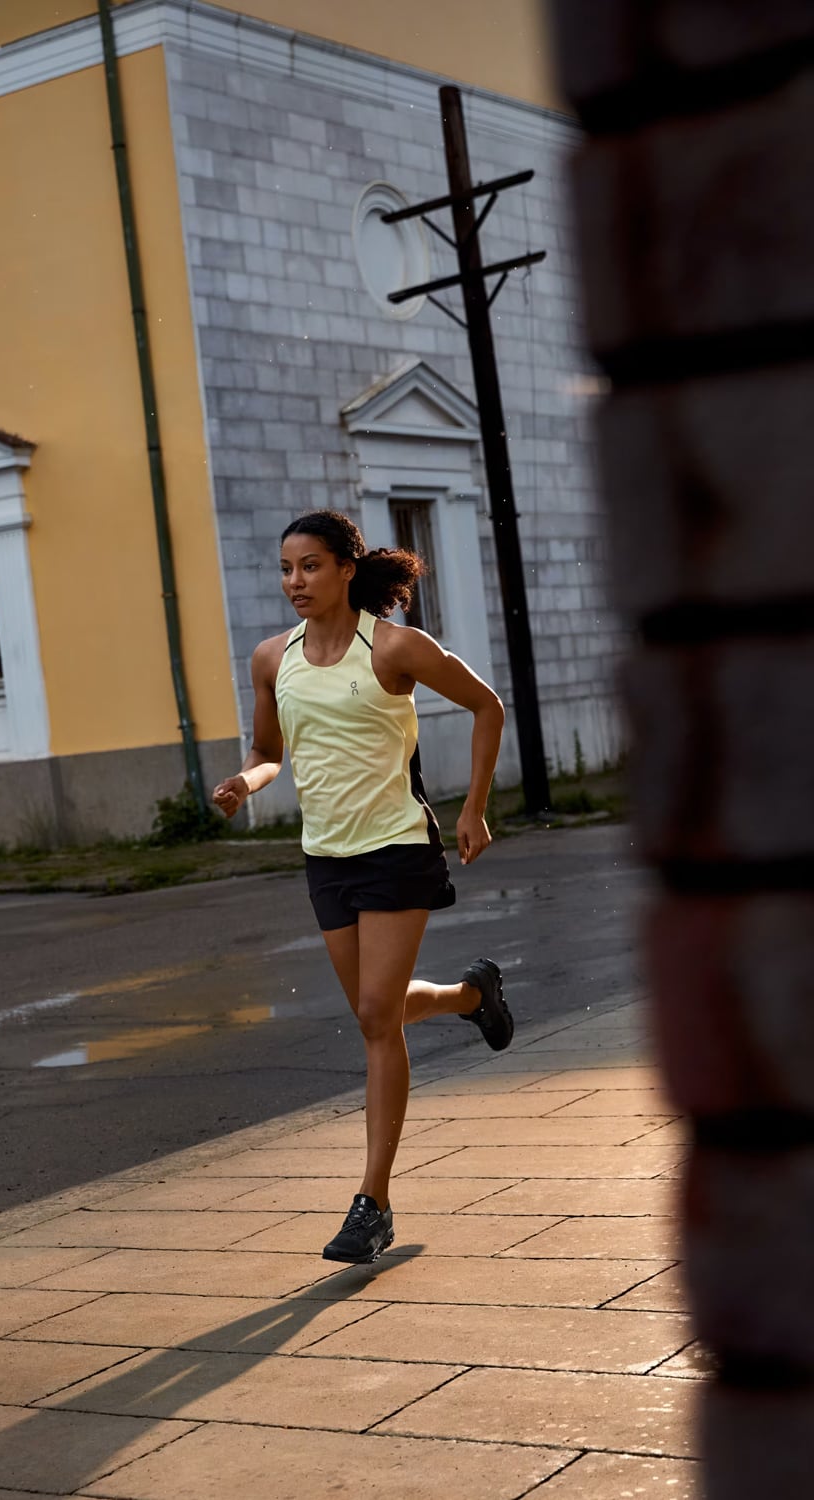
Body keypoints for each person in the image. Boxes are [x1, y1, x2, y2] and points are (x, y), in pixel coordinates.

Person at [212, 509, 511, 1265]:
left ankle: (372, 1202)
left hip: (396, 848)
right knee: (379, 1008)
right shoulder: (271, 659)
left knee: (378, 1017)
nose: (294, 583)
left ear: (347, 569)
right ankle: (473, 996)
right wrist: (246, 782)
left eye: (309, 566)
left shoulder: (395, 647)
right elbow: (268, 748)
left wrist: (473, 807)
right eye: (285, 569)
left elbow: (486, 706)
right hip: (327, 856)